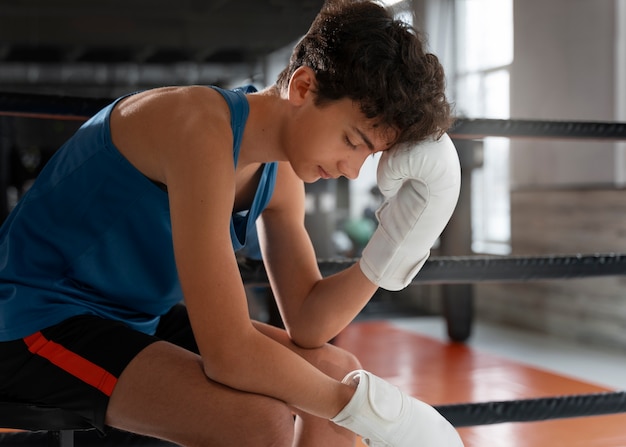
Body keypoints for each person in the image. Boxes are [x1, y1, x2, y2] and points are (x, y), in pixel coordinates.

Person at [0, 0, 463, 446]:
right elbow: (229, 355)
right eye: (352, 141)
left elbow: (308, 322)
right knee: (260, 424)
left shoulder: (281, 176)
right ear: (303, 87)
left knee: (339, 370)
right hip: (36, 318)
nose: (351, 169)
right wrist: (377, 413)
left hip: (135, 317)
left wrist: (395, 245)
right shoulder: (197, 127)